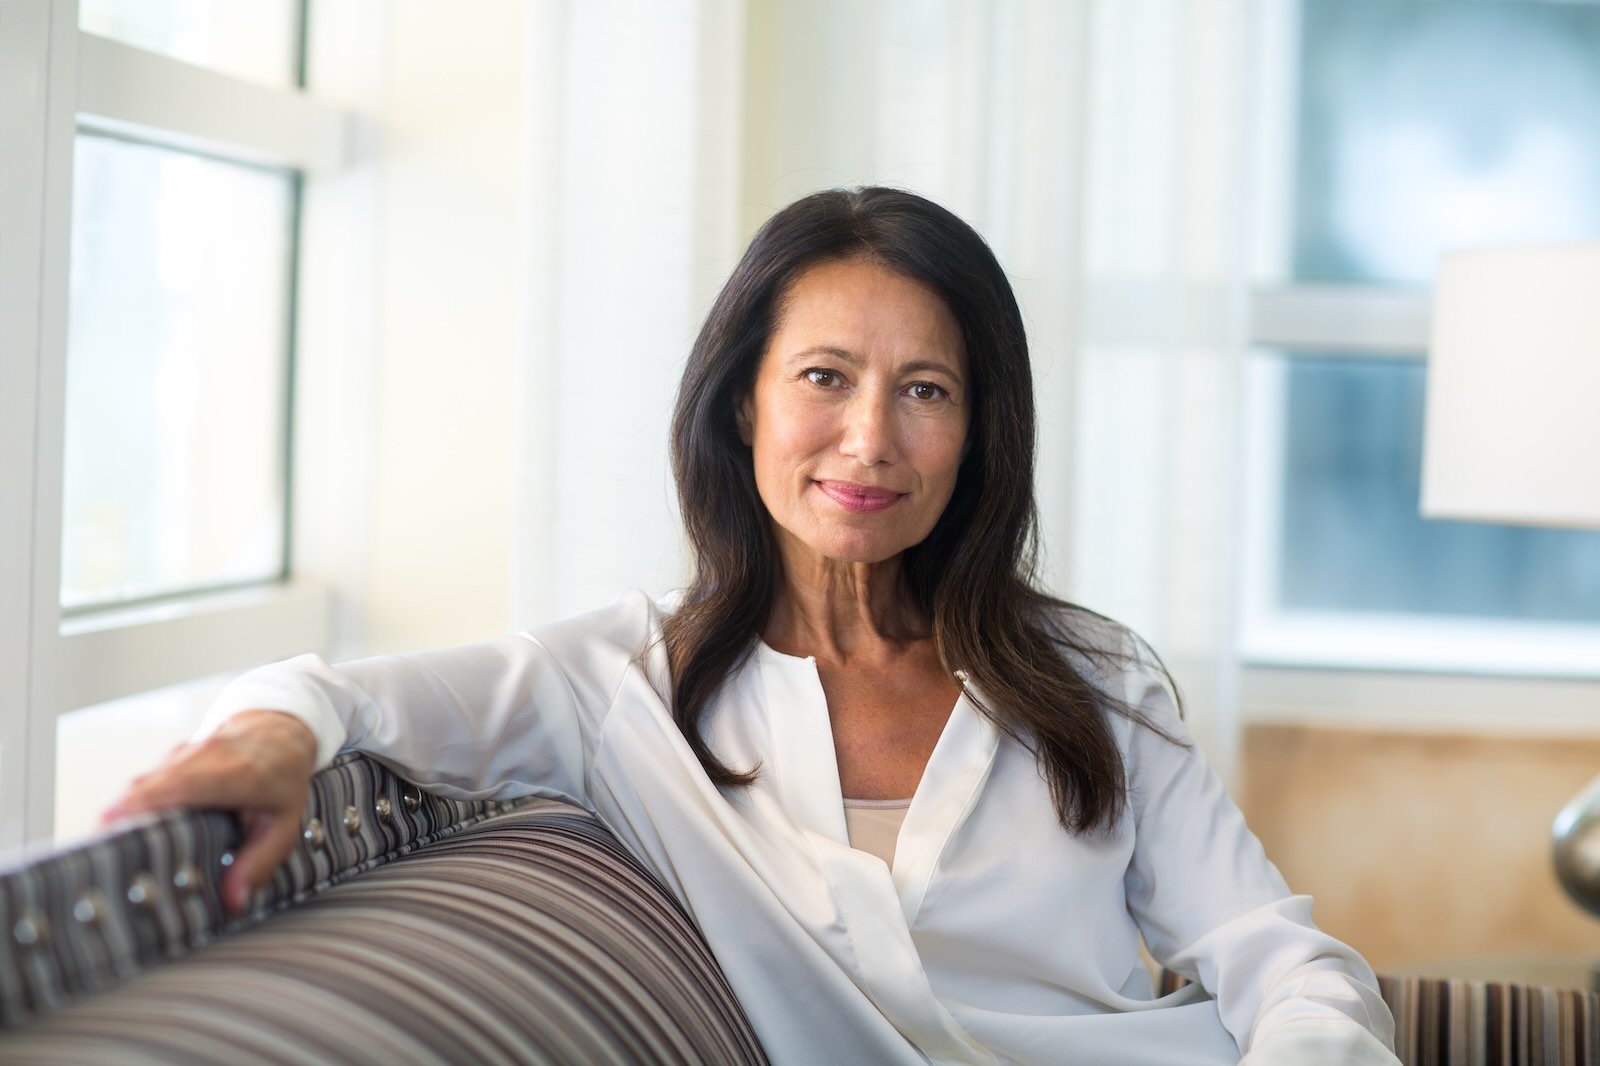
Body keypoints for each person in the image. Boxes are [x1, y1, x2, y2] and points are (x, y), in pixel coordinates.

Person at [106, 187, 1399, 1065]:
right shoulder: (624, 683)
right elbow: (348, 694)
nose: (870, 439)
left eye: (926, 390)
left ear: (978, 431)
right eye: (825, 378)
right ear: (744, 405)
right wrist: (273, 737)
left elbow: (1281, 953)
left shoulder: (1094, 681)